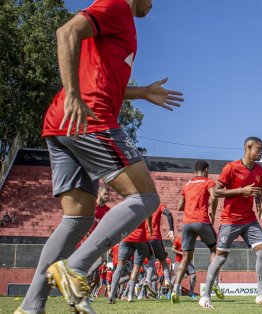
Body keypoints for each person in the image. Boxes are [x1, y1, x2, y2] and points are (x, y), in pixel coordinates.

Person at [15, 0, 183, 313]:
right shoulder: (116, 5)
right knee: (145, 198)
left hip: (61, 124)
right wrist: (75, 97)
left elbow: (104, 79)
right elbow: (67, 33)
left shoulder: (123, 21)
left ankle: (30, 306)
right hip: (90, 119)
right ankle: (77, 268)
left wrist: (142, 92)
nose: (154, 3)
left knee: (77, 220)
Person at [199, 137, 262, 309]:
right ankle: (205, 297)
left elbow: (259, 191)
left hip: (249, 219)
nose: (261, 152)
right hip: (230, 219)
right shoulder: (231, 167)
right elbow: (217, 192)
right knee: (220, 258)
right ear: (248, 148)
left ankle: (261, 295)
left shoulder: (260, 171)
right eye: (258, 149)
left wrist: (259, 205)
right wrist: (242, 191)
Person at [172, 160, 221, 303]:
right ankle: (214, 283)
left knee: (186, 258)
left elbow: (179, 206)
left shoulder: (186, 185)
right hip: (201, 220)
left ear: (194, 172)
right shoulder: (208, 182)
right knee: (215, 250)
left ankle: (175, 290)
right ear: (206, 169)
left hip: (187, 223)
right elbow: (215, 195)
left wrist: (190, 206)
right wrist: (212, 212)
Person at [107, 220, 157, 304]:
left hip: (126, 238)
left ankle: (112, 297)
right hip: (140, 237)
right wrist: (150, 228)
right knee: (150, 258)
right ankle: (146, 282)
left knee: (120, 266)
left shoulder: (126, 207)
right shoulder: (144, 207)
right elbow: (149, 217)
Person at [146, 203, 175, 289]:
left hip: (144, 238)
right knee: (163, 260)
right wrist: (171, 230)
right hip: (155, 237)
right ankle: (167, 280)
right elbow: (169, 214)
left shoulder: (143, 206)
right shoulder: (158, 205)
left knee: (149, 260)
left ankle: (147, 281)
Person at [171, 236, 198, 300]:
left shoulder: (191, 239)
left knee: (193, 275)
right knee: (175, 277)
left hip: (188, 262)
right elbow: (173, 250)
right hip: (179, 262)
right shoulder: (178, 239)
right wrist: (181, 253)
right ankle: (171, 292)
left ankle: (191, 292)